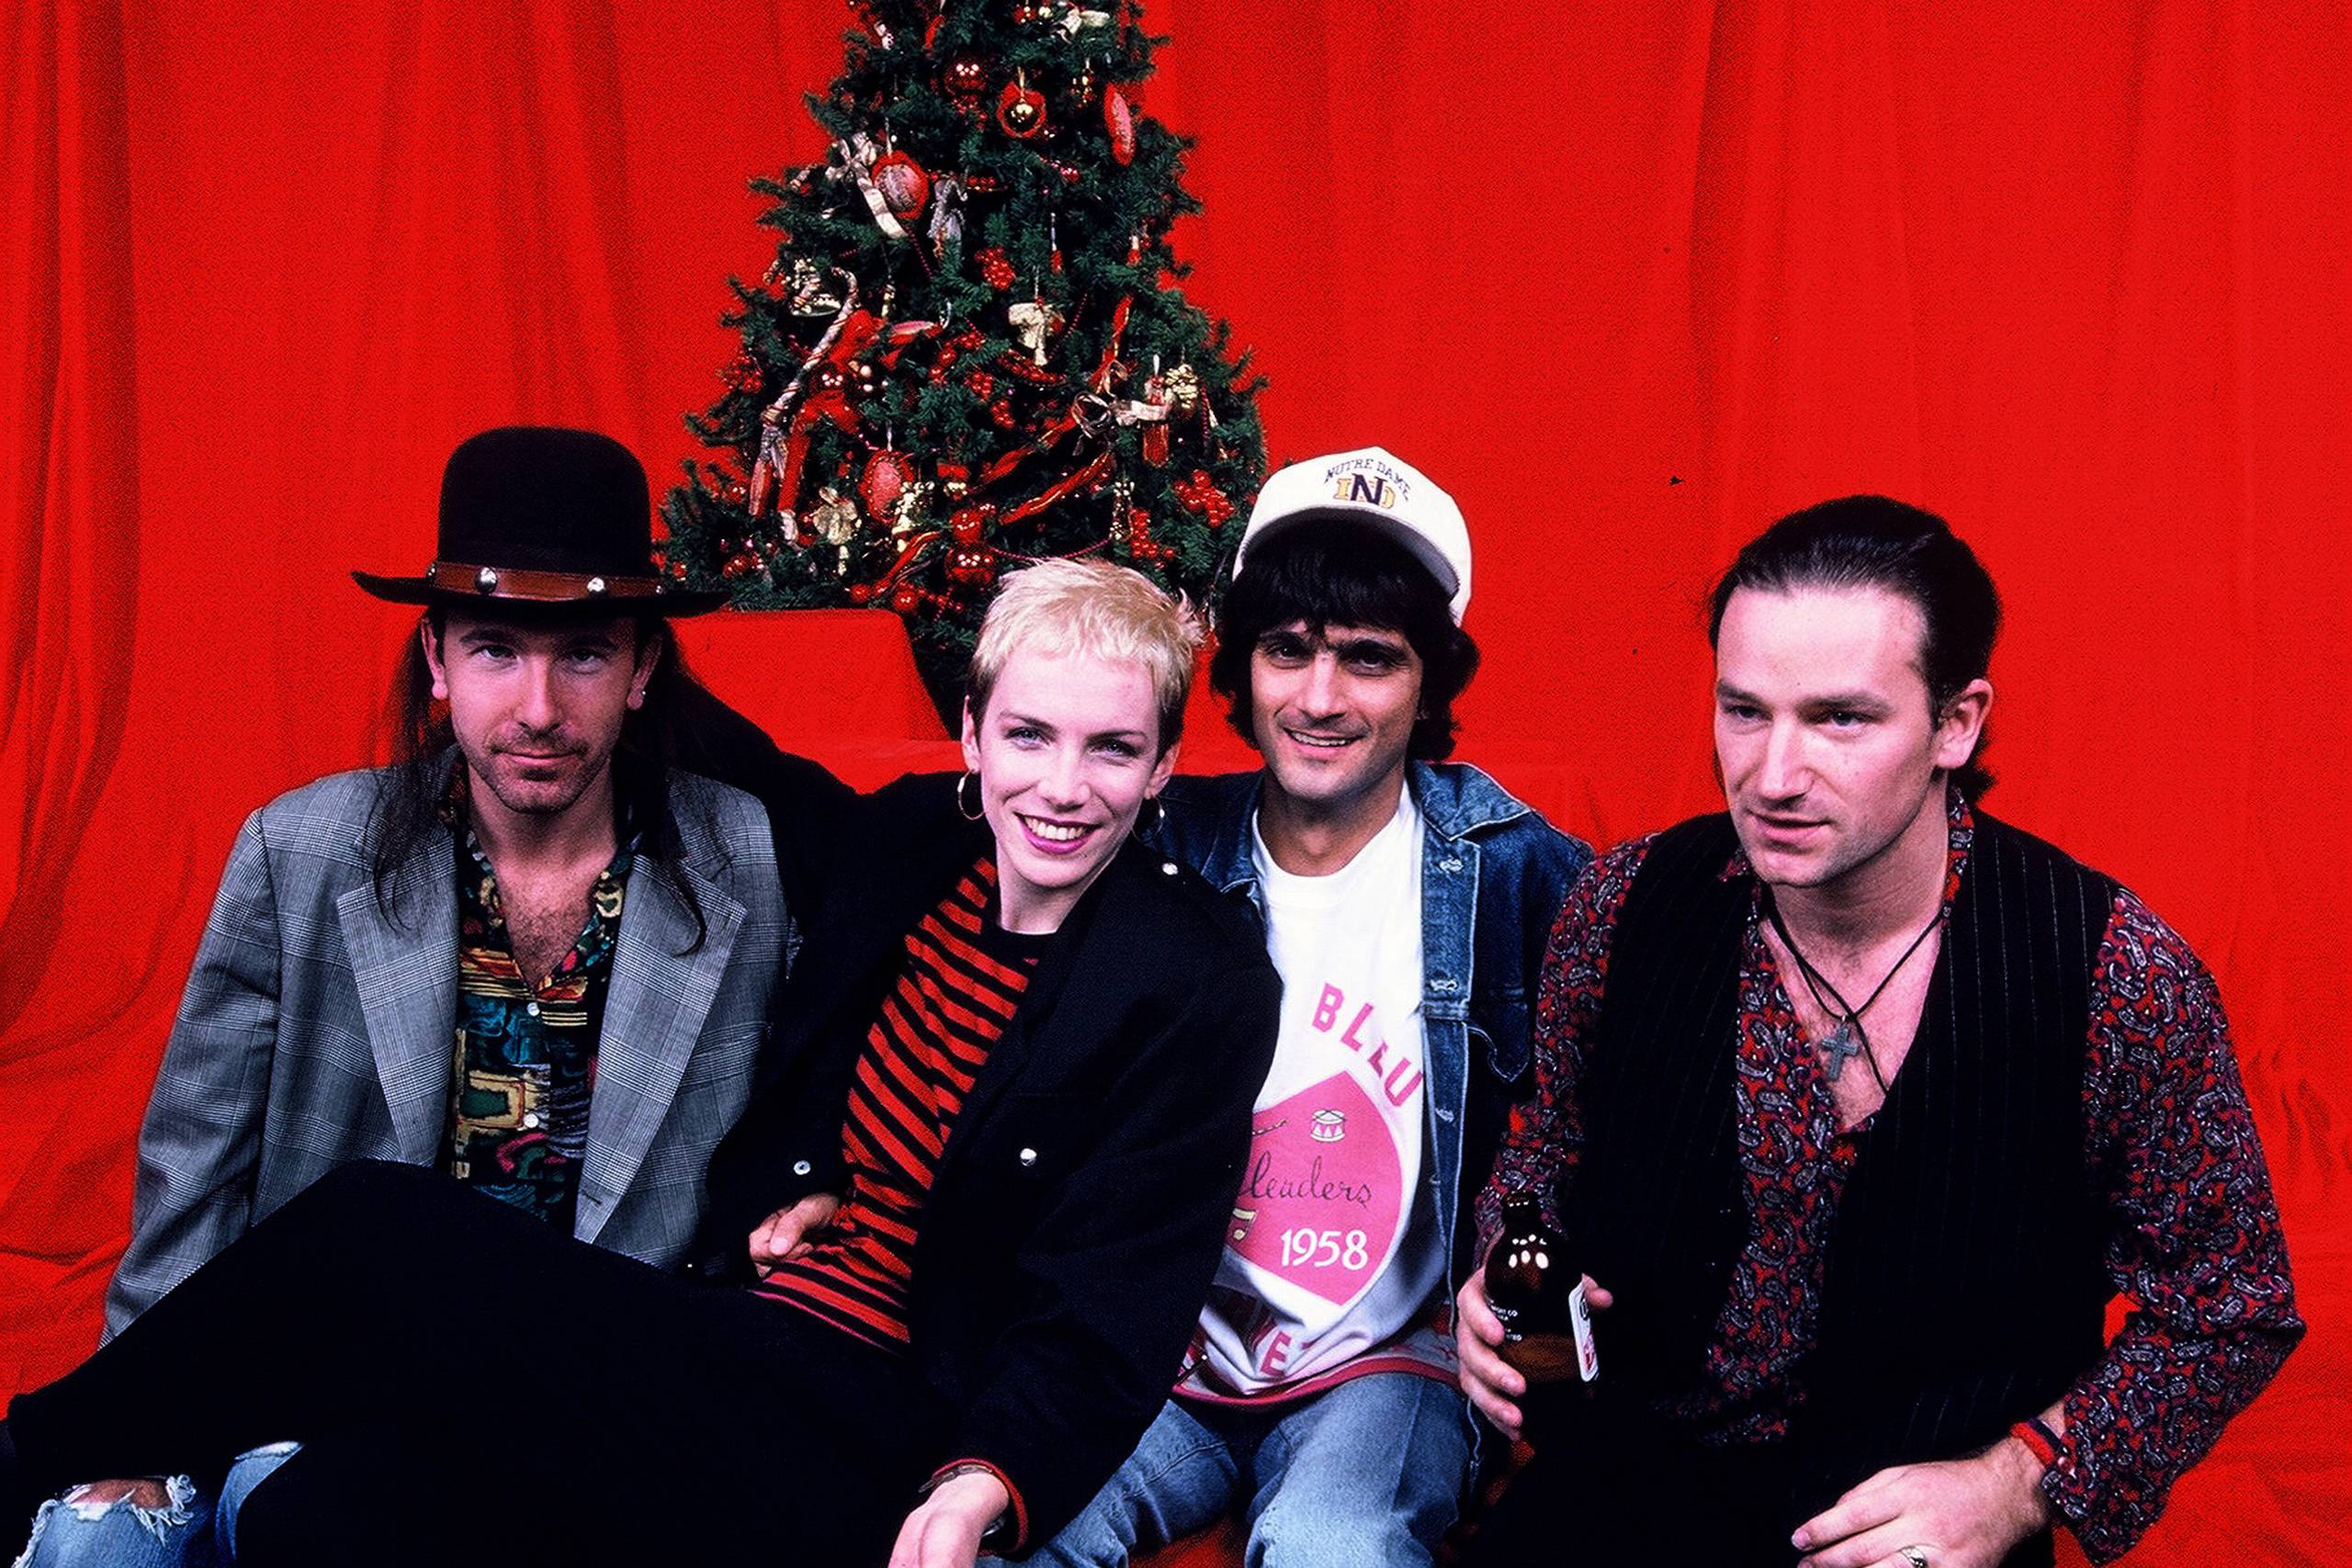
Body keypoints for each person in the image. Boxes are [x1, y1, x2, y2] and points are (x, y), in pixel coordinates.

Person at [2, 558, 1283, 1568]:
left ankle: (24, 1454)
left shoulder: (1196, 979)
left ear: (1166, 762)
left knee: (374, 1232)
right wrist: (592, 594)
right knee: (325, 1516)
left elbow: (1110, 1310)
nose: (1062, 785)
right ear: (972, 733)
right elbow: (704, 734)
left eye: (1113, 748)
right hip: (727, 1343)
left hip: (877, 1422)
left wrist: (977, 1489)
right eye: (1031, 735)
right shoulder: (906, 853)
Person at [16, 425, 836, 1568]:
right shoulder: (300, 852)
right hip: (327, 1395)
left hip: (581, 1404)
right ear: (438, 659)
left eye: (585, 655)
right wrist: (141, 1423)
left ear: (646, 667)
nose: (539, 708)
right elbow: (192, 1180)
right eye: (497, 651)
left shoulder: (741, 853)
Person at [1455, 496, 2303, 1568]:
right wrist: (1498, 1268)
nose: (1769, 775)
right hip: (1627, 1487)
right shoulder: (1622, 905)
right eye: (1743, 711)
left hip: (1908, 1536)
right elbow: (1546, 1150)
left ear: (1958, 722)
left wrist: (2017, 1483)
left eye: (1839, 719)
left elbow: (2232, 1306)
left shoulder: (2113, 973)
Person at [1028, 450, 1588, 1567]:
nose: (1320, 699)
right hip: (1155, 1354)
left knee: (1338, 1544)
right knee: (1010, 1524)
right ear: (1240, 664)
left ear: (1432, 679)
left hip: (1388, 1368)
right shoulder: (1155, 843)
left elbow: (1596, 1120)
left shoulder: (1518, 871)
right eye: (1287, 650)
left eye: (1369, 659)